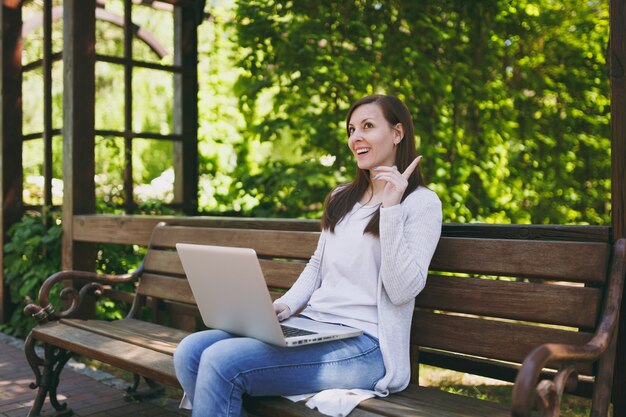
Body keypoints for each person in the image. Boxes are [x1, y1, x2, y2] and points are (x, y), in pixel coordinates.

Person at [173, 94, 442, 417]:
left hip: (367, 346)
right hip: (315, 326)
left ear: (398, 133)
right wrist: (286, 304)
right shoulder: (343, 198)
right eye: (351, 129)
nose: (355, 137)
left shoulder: (421, 204)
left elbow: (402, 291)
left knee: (222, 361)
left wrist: (392, 208)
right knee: (190, 351)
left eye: (367, 126)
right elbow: (318, 265)